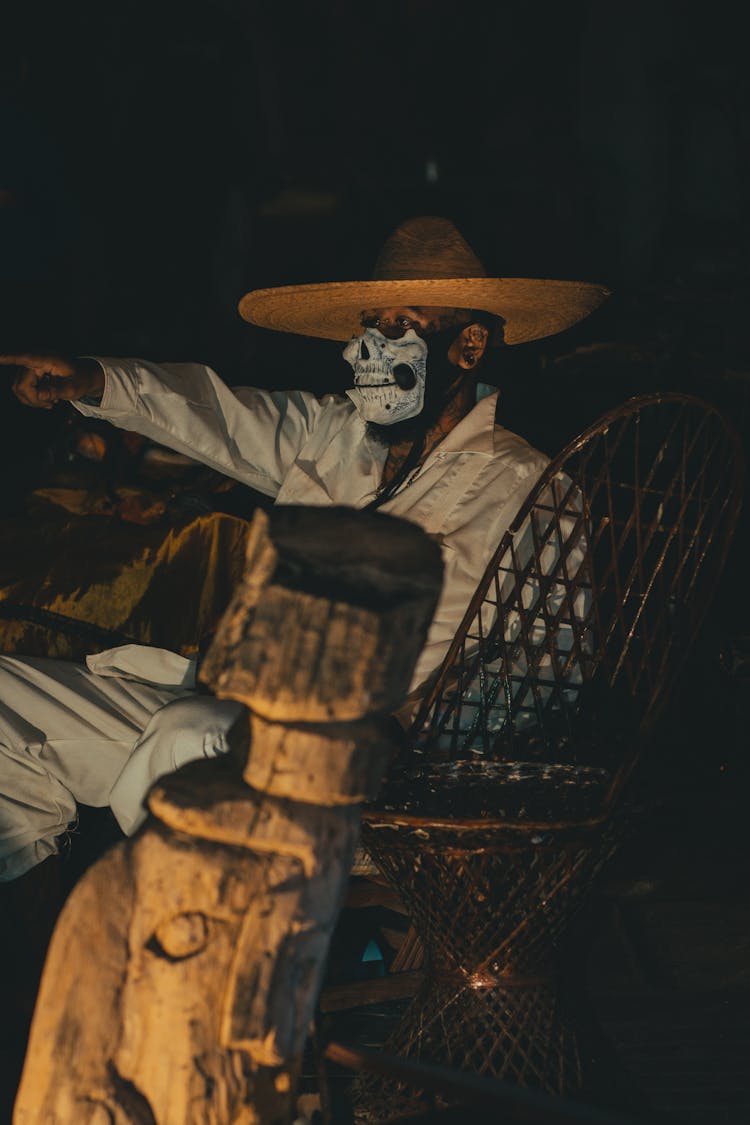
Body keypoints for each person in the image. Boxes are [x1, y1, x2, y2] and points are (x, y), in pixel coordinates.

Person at [0, 216, 608, 881]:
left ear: (468, 344)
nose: (377, 343)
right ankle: (35, 916)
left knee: (192, 738)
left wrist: (413, 736)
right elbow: (221, 415)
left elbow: (547, 677)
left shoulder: (529, 489)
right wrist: (92, 381)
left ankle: (162, 947)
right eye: (371, 323)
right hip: (233, 716)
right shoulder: (332, 434)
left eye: (404, 325)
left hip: (382, 785)